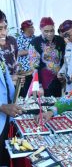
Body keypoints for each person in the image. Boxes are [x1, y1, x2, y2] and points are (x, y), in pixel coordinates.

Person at [0, 10, 24, 166]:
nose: (3, 33)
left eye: (4, 27)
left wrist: (14, 85)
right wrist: (2, 106)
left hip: (4, 121)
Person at [29, 17, 65, 97]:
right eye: (46, 31)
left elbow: (64, 60)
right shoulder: (34, 43)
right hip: (42, 82)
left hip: (58, 81)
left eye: (52, 30)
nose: (50, 34)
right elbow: (34, 67)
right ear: (40, 29)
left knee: (56, 105)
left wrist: (63, 75)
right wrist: (38, 84)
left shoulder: (60, 40)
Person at [17, 20, 35, 97]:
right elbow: (18, 52)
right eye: (31, 27)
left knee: (35, 93)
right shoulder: (19, 39)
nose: (33, 28)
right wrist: (31, 51)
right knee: (26, 94)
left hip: (34, 71)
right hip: (25, 72)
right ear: (26, 29)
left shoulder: (35, 38)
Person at [0, 11, 18, 83]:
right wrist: (9, 79)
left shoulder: (12, 40)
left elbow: (15, 58)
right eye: (0, 29)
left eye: (5, 27)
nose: (4, 32)